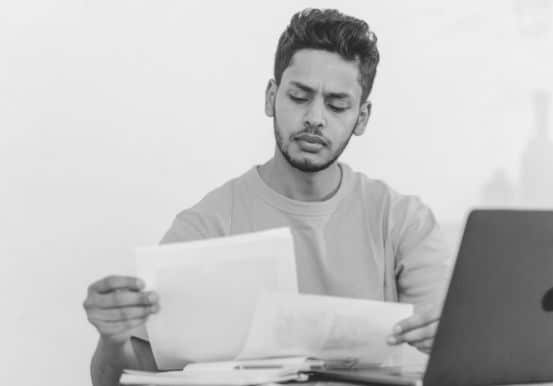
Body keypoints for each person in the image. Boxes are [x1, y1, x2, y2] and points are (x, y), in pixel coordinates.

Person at [83, 8, 451, 386]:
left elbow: (449, 358)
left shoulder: (404, 221)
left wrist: (446, 340)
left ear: (362, 117)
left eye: (337, 104)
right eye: (299, 96)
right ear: (271, 97)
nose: (315, 118)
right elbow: (118, 377)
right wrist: (111, 339)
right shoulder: (209, 224)